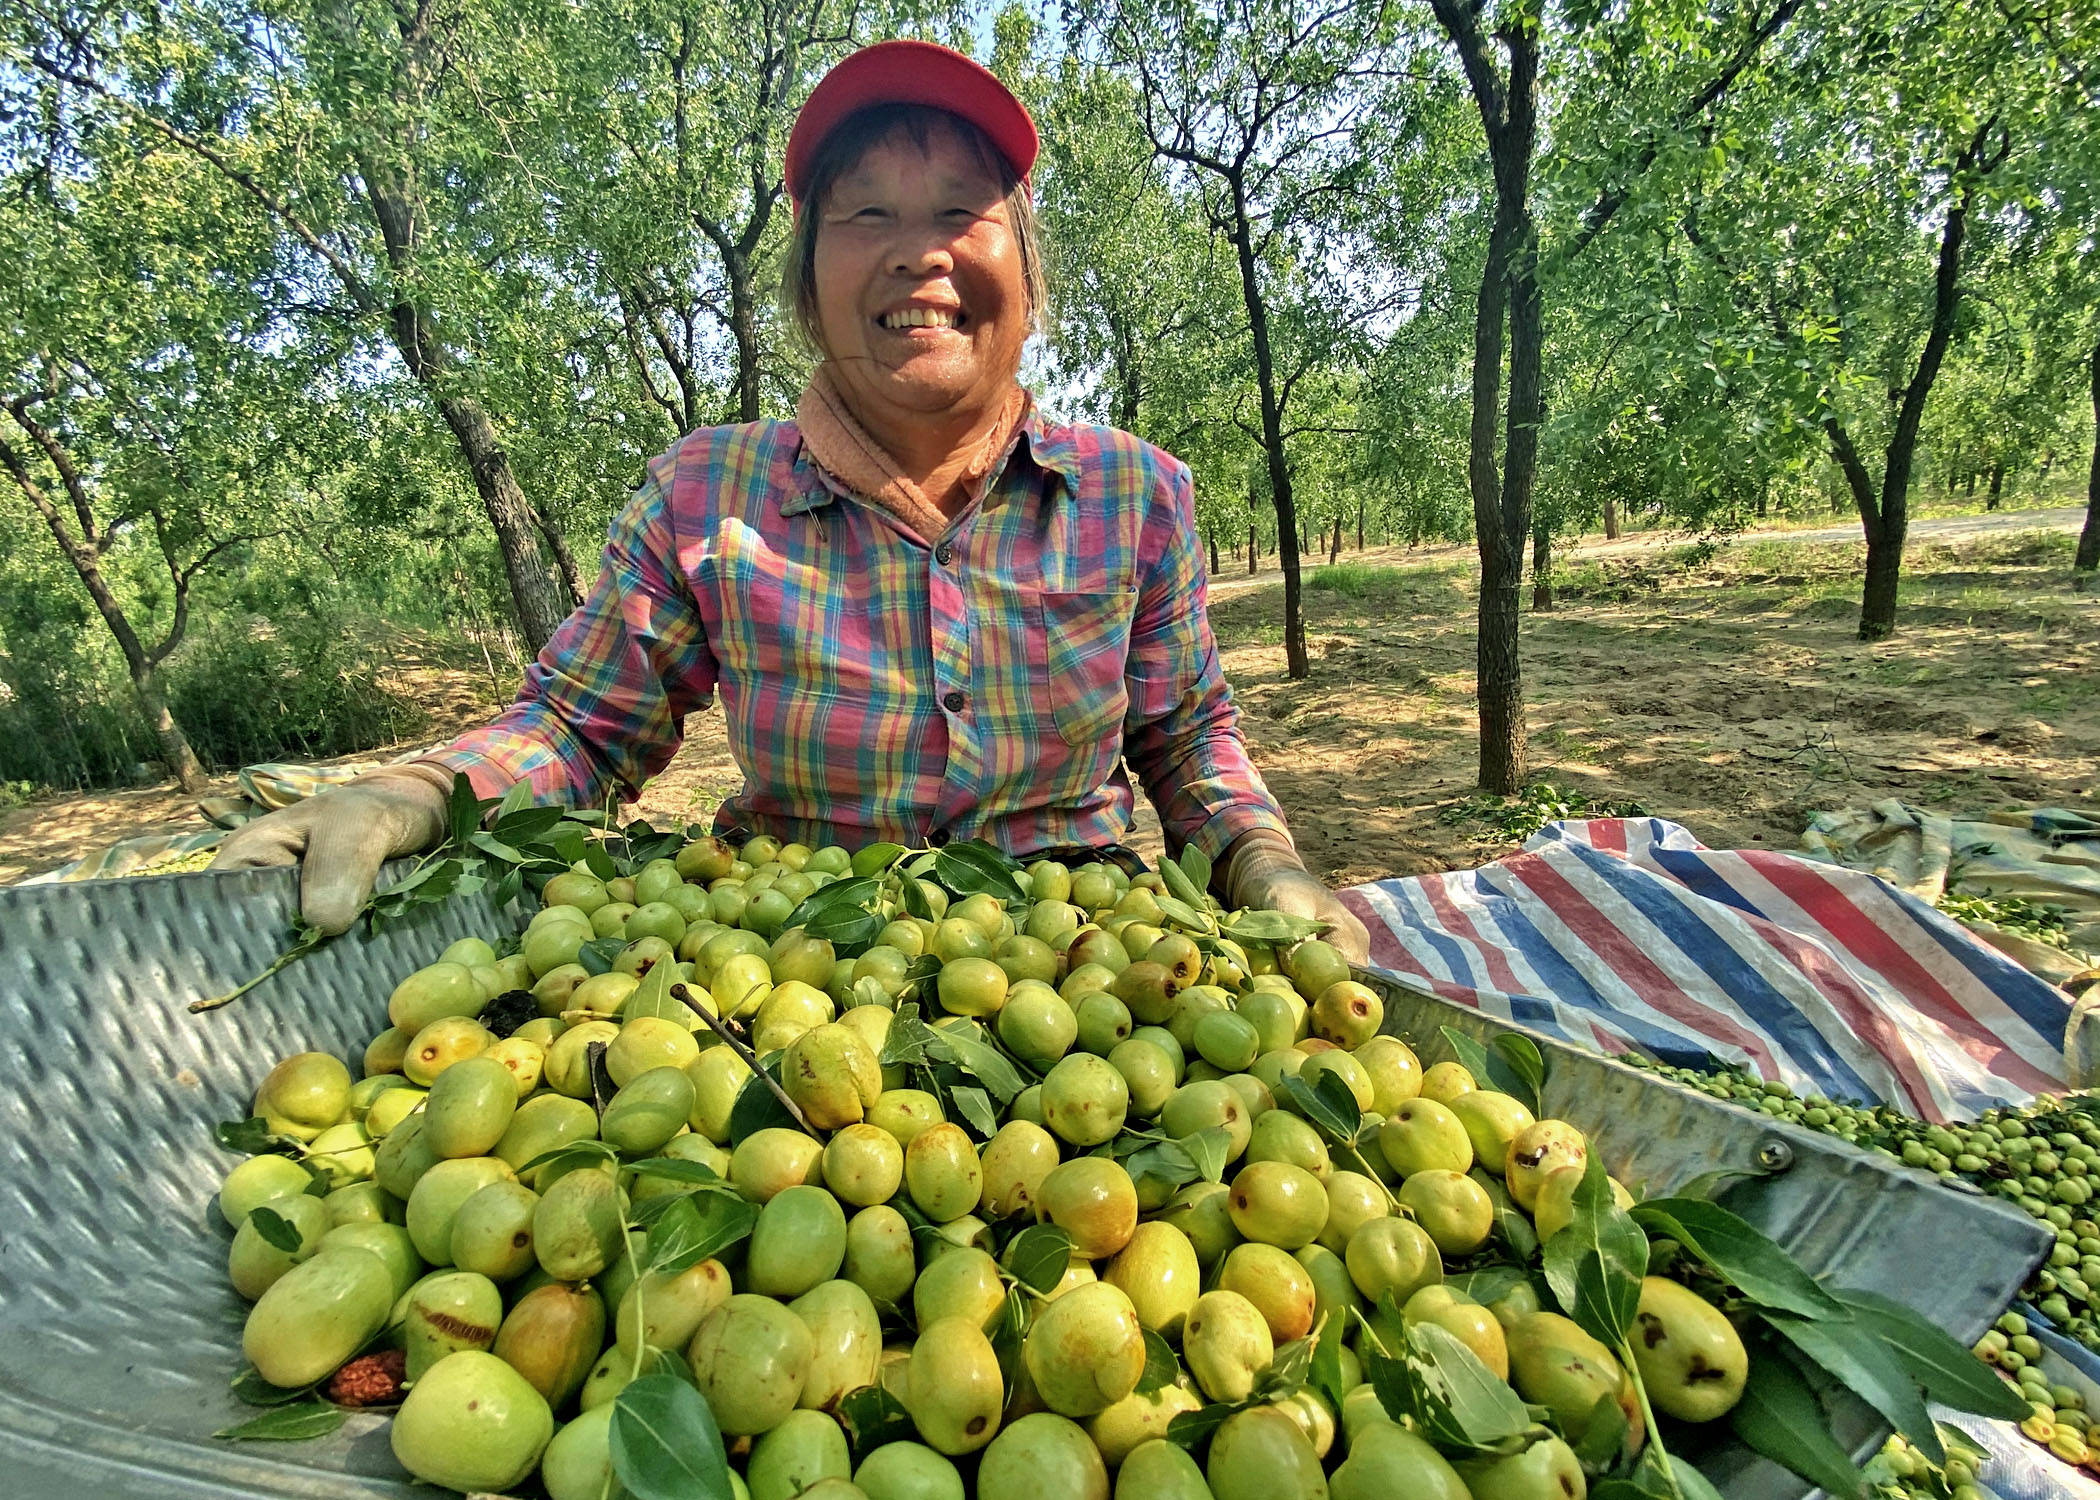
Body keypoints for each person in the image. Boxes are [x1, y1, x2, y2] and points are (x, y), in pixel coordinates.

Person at [214, 39, 1371, 964]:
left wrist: (1263, 861)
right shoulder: (708, 498)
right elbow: (578, 733)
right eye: (865, 215)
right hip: (782, 979)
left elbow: (1182, 740)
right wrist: (415, 793)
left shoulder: (1136, 495)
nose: (917, 255)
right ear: (809, 291)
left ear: (1027, 275)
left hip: (1090, 971)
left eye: (961, 210)